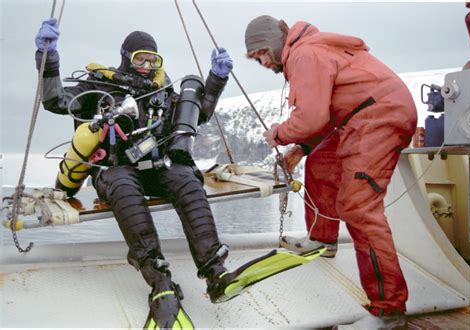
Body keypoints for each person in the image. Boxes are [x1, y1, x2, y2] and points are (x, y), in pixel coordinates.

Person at [35, 18, 238, 329]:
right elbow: (55, 101)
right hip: (114, 169)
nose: (146, 65)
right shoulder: (100, 87)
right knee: (121, 184)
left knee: (186, 176)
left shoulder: (161, 91)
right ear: (125, 58)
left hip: (156, 168)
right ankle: (160, 282)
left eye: (152, 59)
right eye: (139, 58)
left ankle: (215, 272)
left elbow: (201, 112)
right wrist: (48, 58)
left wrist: (215, 80)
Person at [245, 15, 417, 329]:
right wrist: (302, 148)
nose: (264, 64)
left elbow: (310, 118)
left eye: (261, 55)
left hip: (377, 118)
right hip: (364, 115)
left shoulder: (304, 54)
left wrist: (279, 134)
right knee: (321, 160)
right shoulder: (309, 49)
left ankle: (388, 310)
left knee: (359, 208)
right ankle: (323, 240)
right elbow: (325, 117)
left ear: (270, 44)